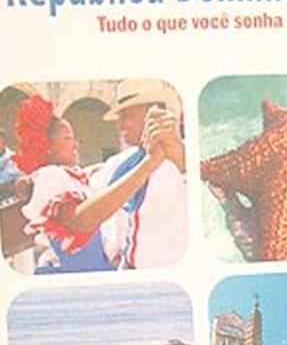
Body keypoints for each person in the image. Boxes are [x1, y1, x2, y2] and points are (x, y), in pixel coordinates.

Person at [12, 95, 173, 273]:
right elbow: (77, 227)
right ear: (47, 146)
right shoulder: (51, 176)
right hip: (83, 267)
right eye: (68, 138)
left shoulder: (70, 176)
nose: (76, 144)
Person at [91, 78, 187, 269]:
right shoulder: (121, 163)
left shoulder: (187, 156)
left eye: (127, 116)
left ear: (155, 111)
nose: (120, 126)